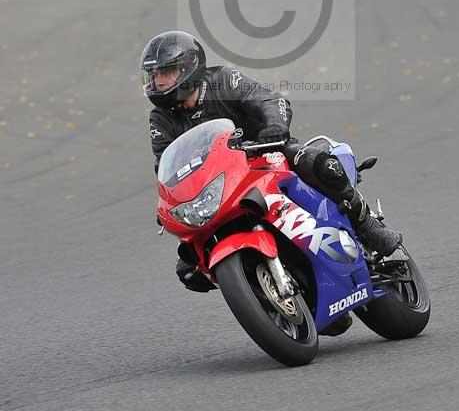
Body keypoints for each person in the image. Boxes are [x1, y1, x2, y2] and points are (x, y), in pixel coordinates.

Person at [140, 31, 402, 334]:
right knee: (188, 268)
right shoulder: (160, 119)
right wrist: (171, 198)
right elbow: (165, 166)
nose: (157, 83)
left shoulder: (224, 80)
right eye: (153, 75)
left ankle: (368, 225)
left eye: (166, 73)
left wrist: (275, 127)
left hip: (264, 155)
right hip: (220, 184)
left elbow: (269, 100)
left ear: (189, 67)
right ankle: (268, 292)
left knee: (318, 163)